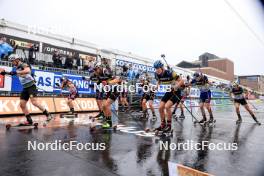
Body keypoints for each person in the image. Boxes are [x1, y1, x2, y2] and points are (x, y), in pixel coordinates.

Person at [0, 54, 51, 125]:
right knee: (22, 104)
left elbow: (27, 70)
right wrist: (5, 73)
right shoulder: (17, 67)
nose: (12, 62)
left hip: (31, 86)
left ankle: (48, 115)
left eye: (12, 61)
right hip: (25, 87)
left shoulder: (23, 64)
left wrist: (16, 72)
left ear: (17, 60)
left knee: (34, 102)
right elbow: (13, 73)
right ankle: (29, 120)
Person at [154, 60, 184, 132]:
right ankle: (163, 125)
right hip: (168, 92)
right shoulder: (157, 74)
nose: (157, 70)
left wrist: (176, 86)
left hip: (176, 92)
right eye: (156, 68)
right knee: (160, 107)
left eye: (158, 68)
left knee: (167, 106)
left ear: (162, 67)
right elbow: (158, 80)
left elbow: (181, 81)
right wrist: (157, 86)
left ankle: (169, 126)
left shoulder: (170, 72)